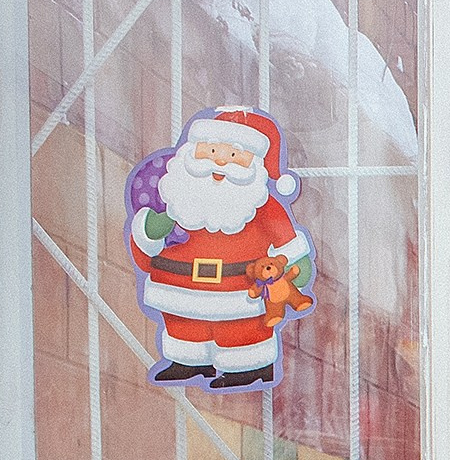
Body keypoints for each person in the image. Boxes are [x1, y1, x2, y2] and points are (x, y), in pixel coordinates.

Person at [127, 106, 314, 389]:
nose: (221, 161)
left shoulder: (261, 204)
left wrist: (297, 265)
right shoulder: (174, 195)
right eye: (212, 151)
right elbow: (146, 239)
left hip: (239, 288)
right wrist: (152, 229)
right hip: (179, 286)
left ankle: (248, 365)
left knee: (241, 330)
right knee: (184, 326)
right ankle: (186, 360)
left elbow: (286, 240)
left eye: (235, 156)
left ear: (255, 164)